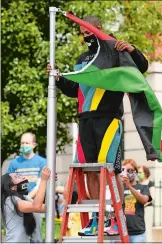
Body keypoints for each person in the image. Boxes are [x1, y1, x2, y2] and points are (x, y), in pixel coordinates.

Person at [46, 15, 148, 236]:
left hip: (109, 118)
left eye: (89, 32)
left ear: (99, 28)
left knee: (111, 170)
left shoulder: (115, 49)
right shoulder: (82, 59)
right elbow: (75, 89)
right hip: (85, 120)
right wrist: (58, 78)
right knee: (90, 171)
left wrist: (131, 49)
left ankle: (115, 218)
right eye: (83, 34)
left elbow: (141, 67)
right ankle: (95, 219)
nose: (87, 37)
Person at [1, 166, 51, 243]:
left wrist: (49, 183)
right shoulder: (10, 201)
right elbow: (36, 206)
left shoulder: (23, 198)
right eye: (18, 177)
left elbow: (46, 208)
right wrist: (43, 180)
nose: (23, 177)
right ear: (13, 187)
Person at [7, 132, 47, 198]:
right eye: (22, 143)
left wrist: (27, 198)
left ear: (34, 145)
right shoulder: (14, 163)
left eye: (27, 143)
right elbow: (9, 183)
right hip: (18, 202)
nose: (24, 145)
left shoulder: (42, 162)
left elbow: (40, 184)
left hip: (37, 202)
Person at [121, 159, 152, 243]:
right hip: (121, 232)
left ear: (136, 172)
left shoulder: (143, 187)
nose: (127, 173)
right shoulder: (120, 188)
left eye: (130, 170)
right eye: (124, 170)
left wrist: (129, 187)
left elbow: (144, 200)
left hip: (137, 232)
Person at [137, 165, 155, 242]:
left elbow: (152, 197)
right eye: (137, 172)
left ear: (146, 173)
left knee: (147, 228)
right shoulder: (137, 183)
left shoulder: (150, 183)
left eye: (140, 172)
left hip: (147, 209)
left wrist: (143, 204)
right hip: (137, 210)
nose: (138, 174)